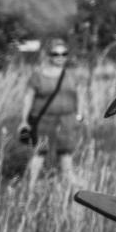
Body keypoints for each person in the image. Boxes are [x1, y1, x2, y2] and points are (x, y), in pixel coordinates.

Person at [17, 38, 83, 183]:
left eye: (64, 54)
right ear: (49, 55)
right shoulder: (38, 76)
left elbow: (79, 95)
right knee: (40, 152)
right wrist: (24, 120)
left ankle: (69, 179)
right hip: (43, 120)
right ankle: (30, 185)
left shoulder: (72, 75)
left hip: (67, 119)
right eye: (56, 54)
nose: (60, 57)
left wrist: (79, 115)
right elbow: (28, 98)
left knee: (66, 151)